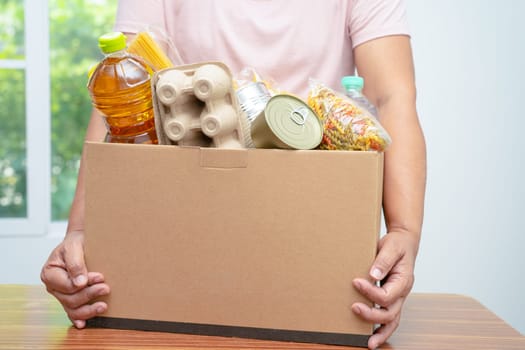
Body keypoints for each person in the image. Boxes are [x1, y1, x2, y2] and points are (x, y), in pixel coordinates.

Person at [41, 1, 426, 349]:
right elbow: (121, 102)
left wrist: (404, 233)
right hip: (187, 221)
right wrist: (80, 234)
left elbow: (390, 98)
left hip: (305, 220)